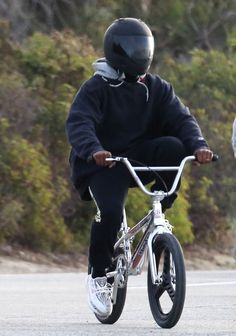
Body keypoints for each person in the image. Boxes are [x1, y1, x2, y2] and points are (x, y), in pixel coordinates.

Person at [66, 18, 213, 317]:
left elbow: (181, 118)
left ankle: (160, 214)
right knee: (108, 212)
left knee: (174, 145)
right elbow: (80, 123)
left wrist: (198, 145)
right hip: (103, 163)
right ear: (117, 51)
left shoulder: (156, 87)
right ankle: (98, 275)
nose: (141, 54)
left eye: (144, 48)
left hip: (137, 157)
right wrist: (94, 150)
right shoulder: (96, 87)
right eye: (134, 48)